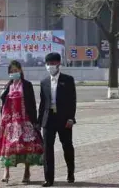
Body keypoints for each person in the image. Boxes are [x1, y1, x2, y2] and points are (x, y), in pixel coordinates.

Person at [0, 60, 43, 184]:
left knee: (27, 146)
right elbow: (4, 104)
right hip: (9, 121)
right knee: (8, 146)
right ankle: (6, 171)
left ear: (21, 71)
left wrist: (35, 121)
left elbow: (31, 104)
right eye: (11, 71)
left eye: (16, 70)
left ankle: (27, 172)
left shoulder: (27, 85)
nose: (14, 73)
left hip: (24, 120)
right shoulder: (8, 86)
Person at [38, 52, 77, 187]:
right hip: (48, 120)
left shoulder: (68, 80)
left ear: (59, 64)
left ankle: (70, 172)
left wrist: (71, 118)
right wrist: (39, 122)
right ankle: (49, 179)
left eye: (53, 64)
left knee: (67, 146)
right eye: (48, 64)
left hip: (64, 119)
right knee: (47, 149)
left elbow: (73, 101)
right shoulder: (44, 82)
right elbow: (43, 104)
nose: (50, 66)